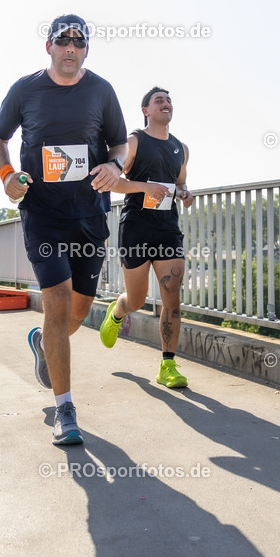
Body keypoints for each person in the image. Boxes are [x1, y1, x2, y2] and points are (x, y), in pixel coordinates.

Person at [0, 13, 127, 446]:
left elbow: (120, 144)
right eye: (63, 41)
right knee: (58, 300)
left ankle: (43, 341)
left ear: (86, 49)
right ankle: (65, 409)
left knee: (77, 313)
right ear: (48, 46)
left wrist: (114, 164)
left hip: (88, 215)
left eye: (78, 42)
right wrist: (7, 173)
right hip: (42, 213)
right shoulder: (26, 90)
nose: (71, 48)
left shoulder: (101, 91)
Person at [99, 87, 194, 388]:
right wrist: (144, 188)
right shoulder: (134, 141)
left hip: (167, 227)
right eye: (159, 100)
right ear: (146, 110)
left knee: (172, 297)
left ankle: (168, 365)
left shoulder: (182, 148)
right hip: (136, 226)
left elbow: (179, 185)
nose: (166, 104)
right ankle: (117, 312)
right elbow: (111, 182)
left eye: (169, 100)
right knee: (137, 299)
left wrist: (184, 194)